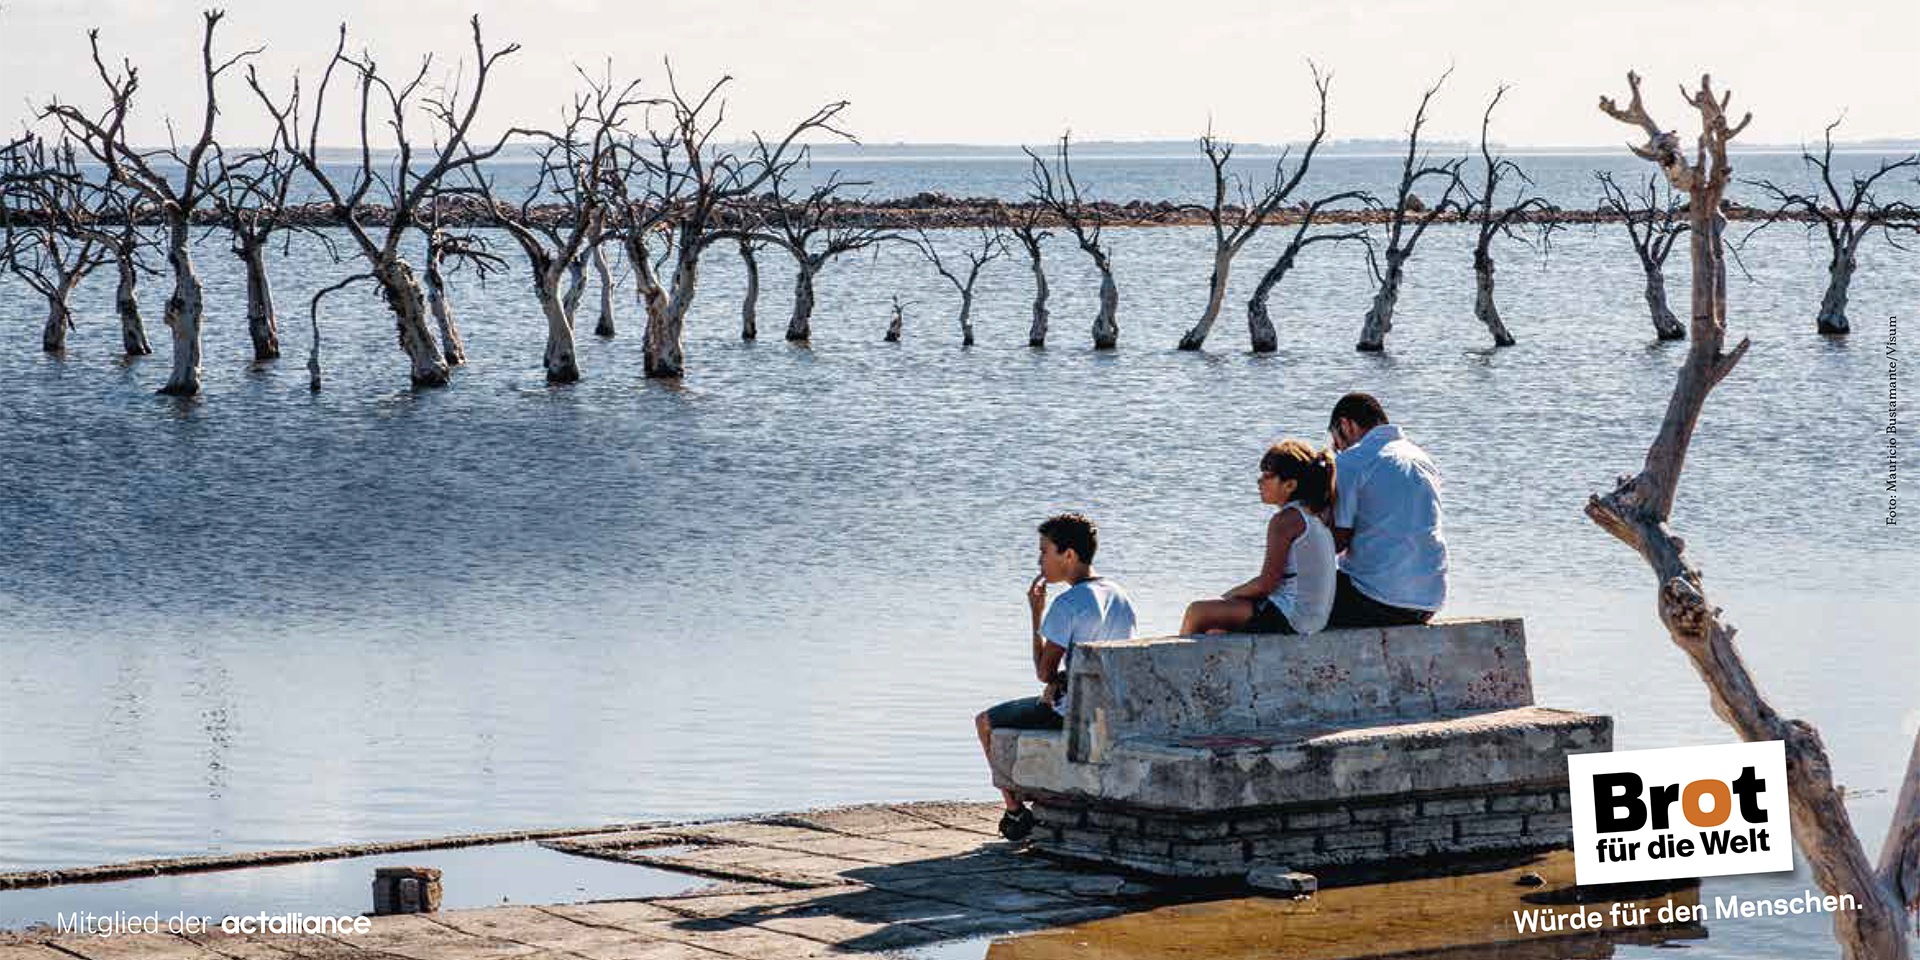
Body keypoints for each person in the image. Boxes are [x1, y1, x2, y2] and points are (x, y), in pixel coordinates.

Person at [974, 513, 1136, 841]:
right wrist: (1061, 678)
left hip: (1077, 711)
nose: (1039, 561)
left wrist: (1036, 615)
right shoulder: (1118, 593)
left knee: (985, 722)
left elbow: (1043, 671)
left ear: (1069, 555)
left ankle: (1015, 812)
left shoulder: (1068, 603)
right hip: (1115, 706)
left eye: (1044, 552)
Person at [1180, 440, 1338, 637]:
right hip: (1313, 619)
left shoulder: (1285, 521)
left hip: (1292, 618)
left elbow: (1266, 584)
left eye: (1267, 476)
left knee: (1198, 612)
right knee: (1216, 630)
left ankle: (1170, 664)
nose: (1259, 482)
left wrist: (1231, 594)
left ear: (1290, 485)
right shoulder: (1315, 516)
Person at [1324, 392, 1447, 627]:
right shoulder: (1421, 457)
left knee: (1288, 598)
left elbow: (1337, 541)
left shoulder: (1352, 461)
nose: (1337, 449)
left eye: (1336, 441)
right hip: (1429, 601)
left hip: (1376, 600)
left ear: (1345, 425)